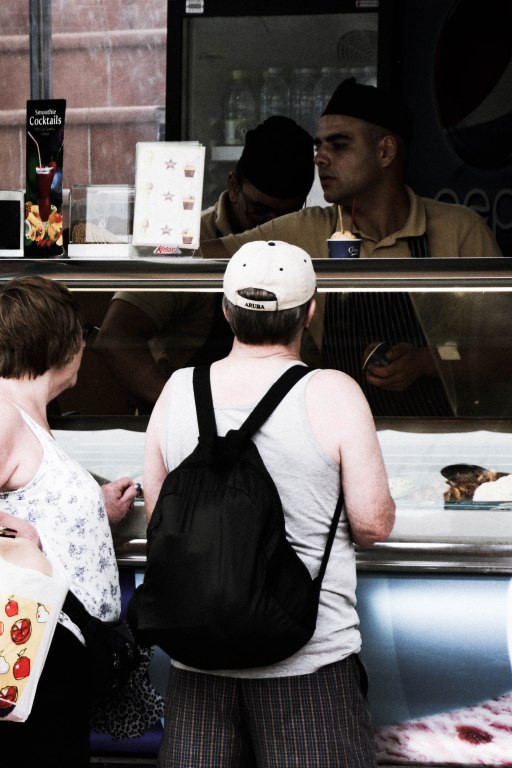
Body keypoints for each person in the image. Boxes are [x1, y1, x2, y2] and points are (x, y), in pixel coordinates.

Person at [144, 240, 396, 767]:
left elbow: (157, 518)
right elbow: (372, 524)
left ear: (226, 310)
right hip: (308, 670)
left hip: (197, 667)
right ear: (310, 311)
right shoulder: (333, 392)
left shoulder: (179, 389)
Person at [0, 276, 141, 766]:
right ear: (64, 343)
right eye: (81, 333)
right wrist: (19, 534)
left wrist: (93, 509)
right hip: (34, 644)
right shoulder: (1, 413)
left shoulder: (23, 409)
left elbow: (30, 495)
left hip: (49, 647)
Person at [200, 78, 503, 417]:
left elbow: (501, 351)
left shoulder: (458, 229)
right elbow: (202, 257)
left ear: (385, 152)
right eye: (319, 146)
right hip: (342, 431)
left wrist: (427, 361)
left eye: (339, 145)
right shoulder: (308, 228)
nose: (320, 158)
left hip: (443, 436)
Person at [95, 116, 315, 409]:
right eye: (260, 211)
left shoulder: (302, 240)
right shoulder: (187, 243)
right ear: (234, 187)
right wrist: (181, 411)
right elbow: (116, 337)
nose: (272, 226)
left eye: (287, 216)